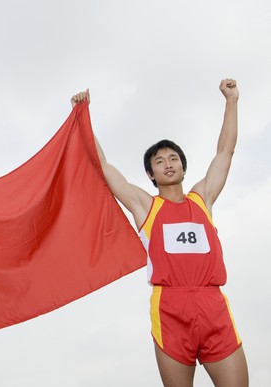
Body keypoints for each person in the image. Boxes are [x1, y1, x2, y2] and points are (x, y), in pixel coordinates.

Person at [71, 79, 248, 387]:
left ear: (183, 167)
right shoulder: (145, 206)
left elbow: (225, 151)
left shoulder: (202, 198)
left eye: (174, 159)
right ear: (151, 174)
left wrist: (231, 101)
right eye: (159, 161)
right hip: (170, 307)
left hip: (213, 305)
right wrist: (81, 116)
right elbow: (103, 166)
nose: (168, 163)